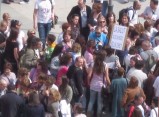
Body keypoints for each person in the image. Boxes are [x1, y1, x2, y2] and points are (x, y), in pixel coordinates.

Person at [87, 50, 110, 117]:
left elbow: (89, 75)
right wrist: (109, 84)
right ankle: (98, 115)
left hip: (93, 84)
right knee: (100, 103)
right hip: (101, 86)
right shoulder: (105, 65)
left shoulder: (93, 64)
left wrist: (88, 82)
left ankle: (88, 115)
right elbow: (107, 77)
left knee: (91, 101)